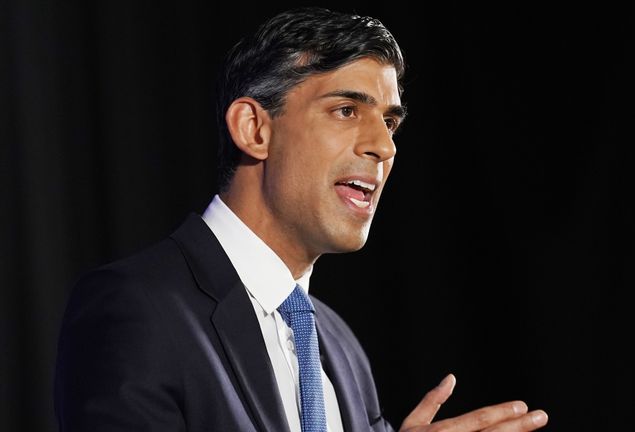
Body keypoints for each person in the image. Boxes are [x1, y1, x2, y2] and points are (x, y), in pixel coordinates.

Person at [54, 7, 549, 432]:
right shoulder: (135, 308)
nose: (384, 145)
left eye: (391, 121)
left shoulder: (339, 346)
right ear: (254, 129)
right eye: (346, 110)